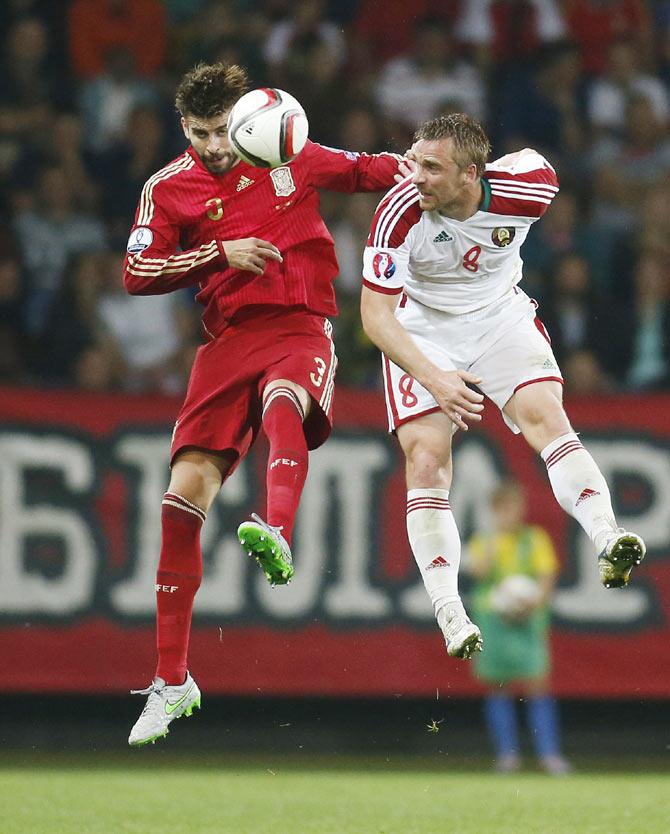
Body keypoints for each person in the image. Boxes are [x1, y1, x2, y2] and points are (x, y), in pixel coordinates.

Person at [123, 62, 404, 746]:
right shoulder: (168, 188)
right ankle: (173, 681)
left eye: (223, 130)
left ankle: (276, 527)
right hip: (225, 343)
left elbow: (370, 170)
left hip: (299, 323)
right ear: (183, 129)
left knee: (285, 400)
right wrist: (218, 254)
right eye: (201, 133)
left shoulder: (288, 152)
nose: (216, 145)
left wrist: (433, 165)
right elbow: (135, 272)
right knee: (179, 500)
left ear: (244, 119)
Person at [359, 112, 646, 660]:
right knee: (425, 458)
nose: (414, 175)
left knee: (547, 417)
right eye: (414, 160)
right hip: (419, 327)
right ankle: (448, 608)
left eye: (431, 167)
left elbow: (543, 169)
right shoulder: (397, 211)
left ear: (471, 174)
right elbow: (375, 319)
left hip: (497, 317)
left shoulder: (525, 190)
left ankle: (608, 538)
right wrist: (434, 377)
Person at [467, 480, 569, 774]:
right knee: (498, 687)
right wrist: (490, 543)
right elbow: (479, 572)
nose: (512, 515)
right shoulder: (483, 541)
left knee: (538, 684)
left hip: (527, 620)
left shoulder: (535, 539)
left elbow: (547, 577)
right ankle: (507, 756)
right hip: (493, 621)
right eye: (504, 510)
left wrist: (532, 603)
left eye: (515, 509)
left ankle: (549, 755)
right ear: (494, 511)